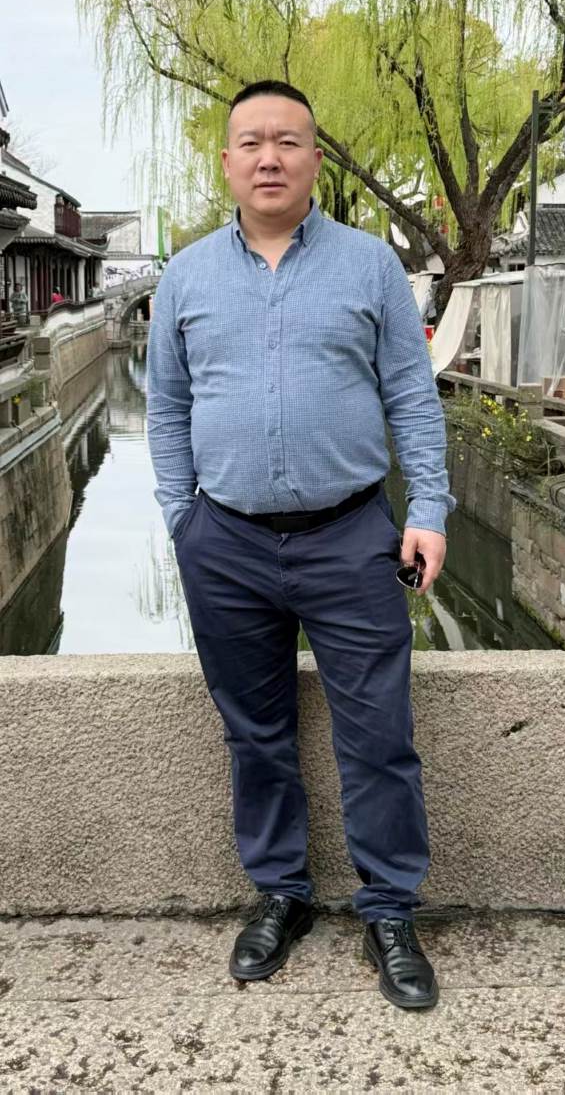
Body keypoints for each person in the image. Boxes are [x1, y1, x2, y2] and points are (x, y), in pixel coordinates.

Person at [146, 80, 454, 1011]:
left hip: (351, 536)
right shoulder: (186, 276)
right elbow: (167, 408)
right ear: (228, 162)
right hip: (226, 543)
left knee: (379, 735)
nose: (269, 157)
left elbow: (411, 393)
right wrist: (182, 520)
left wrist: (428, 507)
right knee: (255, 733)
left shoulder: (368, 266)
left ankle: (389, 908)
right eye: (251, 142)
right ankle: (282, 892)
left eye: (288, 140)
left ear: (317, 158)